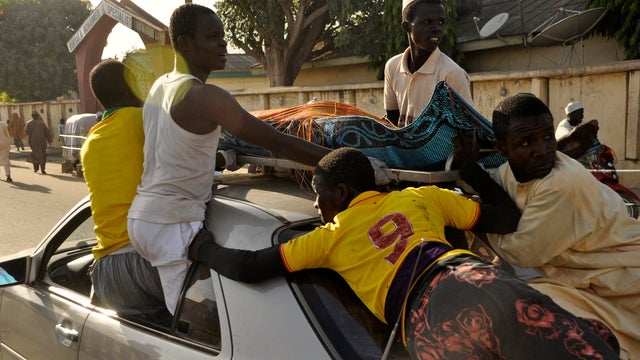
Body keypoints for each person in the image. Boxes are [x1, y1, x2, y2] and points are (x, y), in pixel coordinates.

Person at [189, 147, 619, 359]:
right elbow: (505, 218)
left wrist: (201, 246)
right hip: (481, 279)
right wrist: (470, 172)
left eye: (319, 198)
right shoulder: (419, 196)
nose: (317, 208)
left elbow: (247, 266)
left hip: (430, 318)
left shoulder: (330, 235)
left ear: (339, 193)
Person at [127, 4, 391, 316]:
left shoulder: (160, 87)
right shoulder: (206, 96)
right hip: (173, 222)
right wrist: (350, 160)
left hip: (144, 216)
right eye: (213, 37)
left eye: (223, 36)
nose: (224, 45)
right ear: (184, 43)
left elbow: (175, 147)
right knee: (197, 321)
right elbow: (275, 141)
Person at [455, 93, 640, 358]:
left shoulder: (559, 185)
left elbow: (521, 252)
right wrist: (476, 178)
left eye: (547, 137)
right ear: (501, 148)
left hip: (622, 282)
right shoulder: (509, 172)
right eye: (526, 142)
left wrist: (480, 219)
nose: (542, 150)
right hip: (582, 280)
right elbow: (501, 201)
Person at [80, 59, 169, 323]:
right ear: (132, 89)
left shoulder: (90, 142)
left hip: (108, 272)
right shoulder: (144, 120)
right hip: (151, 264)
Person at [384, 0, 472, 127]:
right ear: (407, 26)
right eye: (427, 22)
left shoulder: (452, 73)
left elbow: (468, 129)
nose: (437, 29)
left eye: (441, 22)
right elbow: (392, 121)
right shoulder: (392, 66)